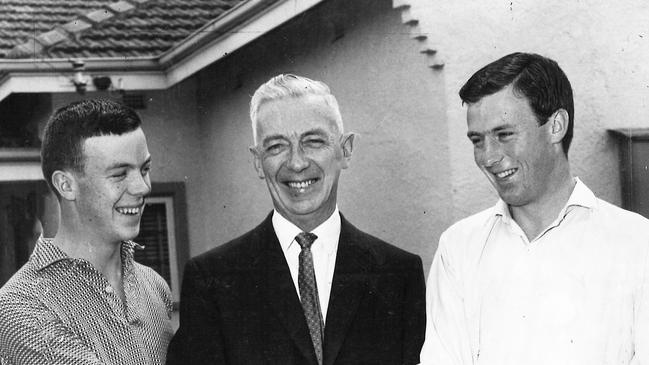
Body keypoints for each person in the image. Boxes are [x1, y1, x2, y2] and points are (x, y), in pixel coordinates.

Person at [167, 74, 426, 365]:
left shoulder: (399, 274)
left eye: (313, 141)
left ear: (346, 150)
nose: (297, 162)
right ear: (257, 161)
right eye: (276, 146)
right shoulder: (212, 280)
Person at [419, 52, 649, 365]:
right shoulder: (458, 249)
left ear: (556, 126)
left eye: (504, 134)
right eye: (477, 140)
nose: (488, 157)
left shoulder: (637, 244)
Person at [0, 99, 174, 365]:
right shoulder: (22, 307)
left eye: (145, 169)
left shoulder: (154, 286)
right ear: (66, 185)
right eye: (119, 174)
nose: (142, 187)